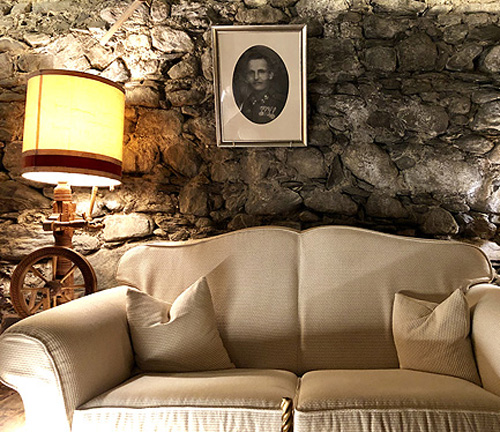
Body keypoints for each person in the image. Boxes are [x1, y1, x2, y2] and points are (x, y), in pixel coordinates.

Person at [238, 51, 286, 124]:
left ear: (270, 75)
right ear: (247, 77)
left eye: (261, 72)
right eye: (251, 73)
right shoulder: (245, 104)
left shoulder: (280, 102)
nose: (256, 77)